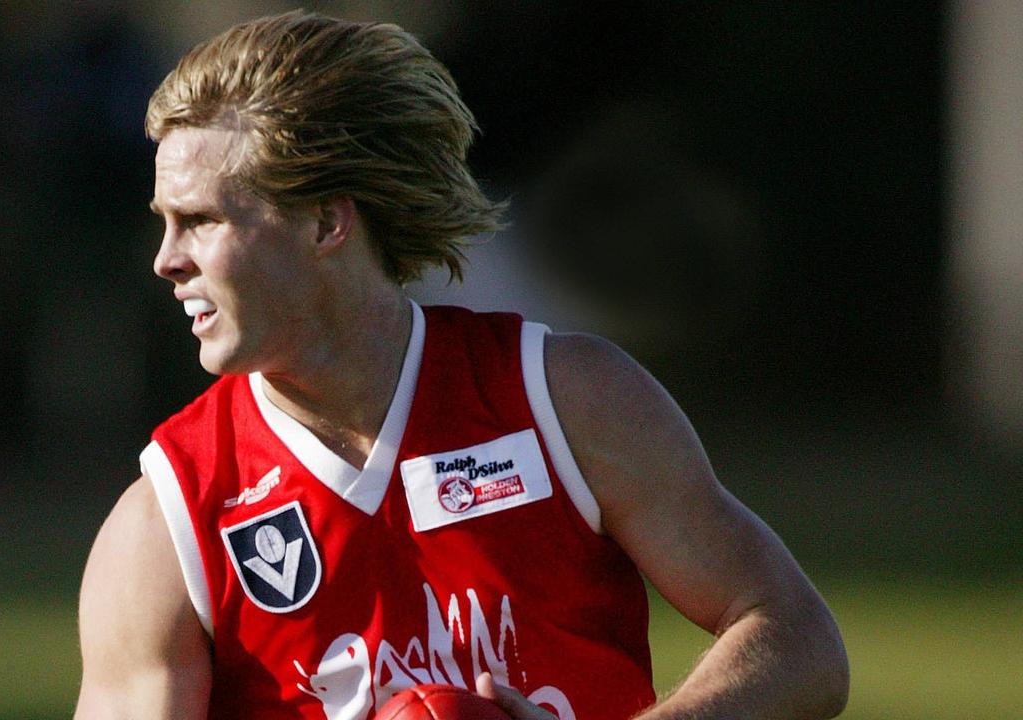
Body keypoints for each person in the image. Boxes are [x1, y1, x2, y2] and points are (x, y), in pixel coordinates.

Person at [74, 11, 848, 720]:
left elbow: (797, 638)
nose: (167, 261)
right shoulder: (167, 522)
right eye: (165, 224)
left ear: (325, 221)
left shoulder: (564, 401)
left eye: (201, 221)